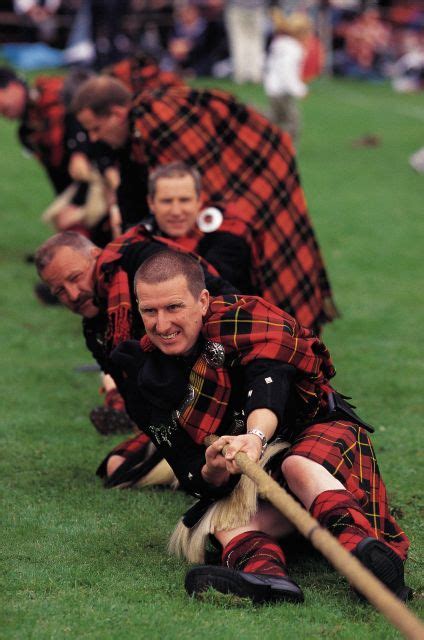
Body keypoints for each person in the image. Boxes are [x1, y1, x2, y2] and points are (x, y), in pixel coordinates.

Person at [104, 249, 411, 604]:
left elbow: (270, 378)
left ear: (202, 300)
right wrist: (213, 468)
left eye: (174, 307)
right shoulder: (144, 374)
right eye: (149, 311)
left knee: (298, 466)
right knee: (222, 523)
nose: (161, 325)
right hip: (259, 482)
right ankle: (266, 578)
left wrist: (255, 436)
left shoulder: (242, 319)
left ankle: (366, 562)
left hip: (319, 443)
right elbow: (191, 474)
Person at [71, 75, 337, 334]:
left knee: (270, 263)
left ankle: (284, 342)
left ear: (117, 114)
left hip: (258, 184)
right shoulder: (141, 128)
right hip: (230, 199)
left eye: (96, 128)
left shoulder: (159, 120)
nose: (94, 138)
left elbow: (196, 188)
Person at [34, 230, 235, 439]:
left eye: (75, 277)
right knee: (117, 467)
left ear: (95, 253)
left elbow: (227, 302)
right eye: (60, 291)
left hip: (225, 378)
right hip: (174, 411)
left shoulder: (142, 258)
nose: (73, 294)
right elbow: (137, 403)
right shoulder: (95, 331)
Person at [264, 11, 312, 147]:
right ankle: (287, 149)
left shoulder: (280, 44)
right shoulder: (294, 49)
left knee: (275, 119)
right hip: (282, 91)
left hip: (272, 89)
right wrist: (299, 90)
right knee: (292, 121)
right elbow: (287, 72)